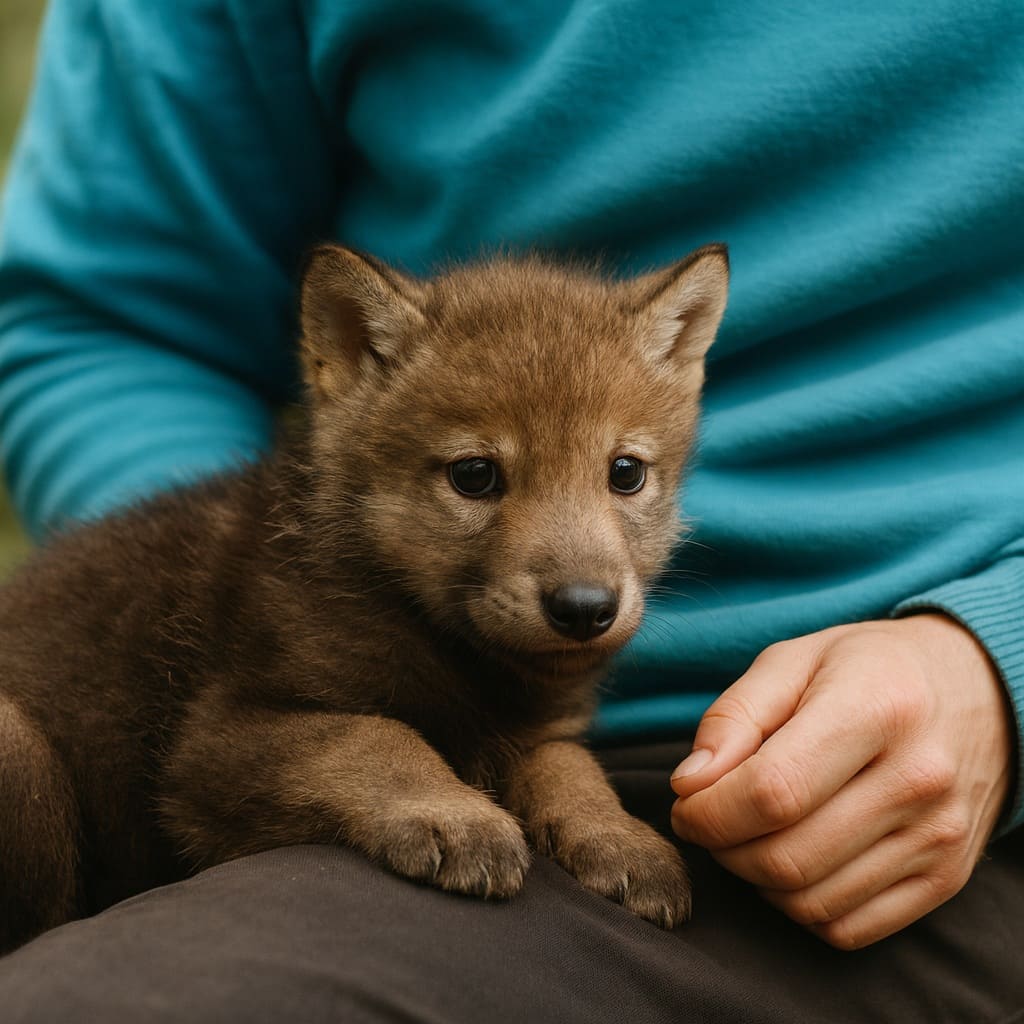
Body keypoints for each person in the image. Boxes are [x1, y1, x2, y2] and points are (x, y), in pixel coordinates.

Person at [0, 1, 1022, 1020]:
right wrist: (239, 591)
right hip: (247, 779)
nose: (584, 569)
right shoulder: (319, 603)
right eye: (478, 480)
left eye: (626, 477)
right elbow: (108, 314)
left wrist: (1000, 667)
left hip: (913, 808)